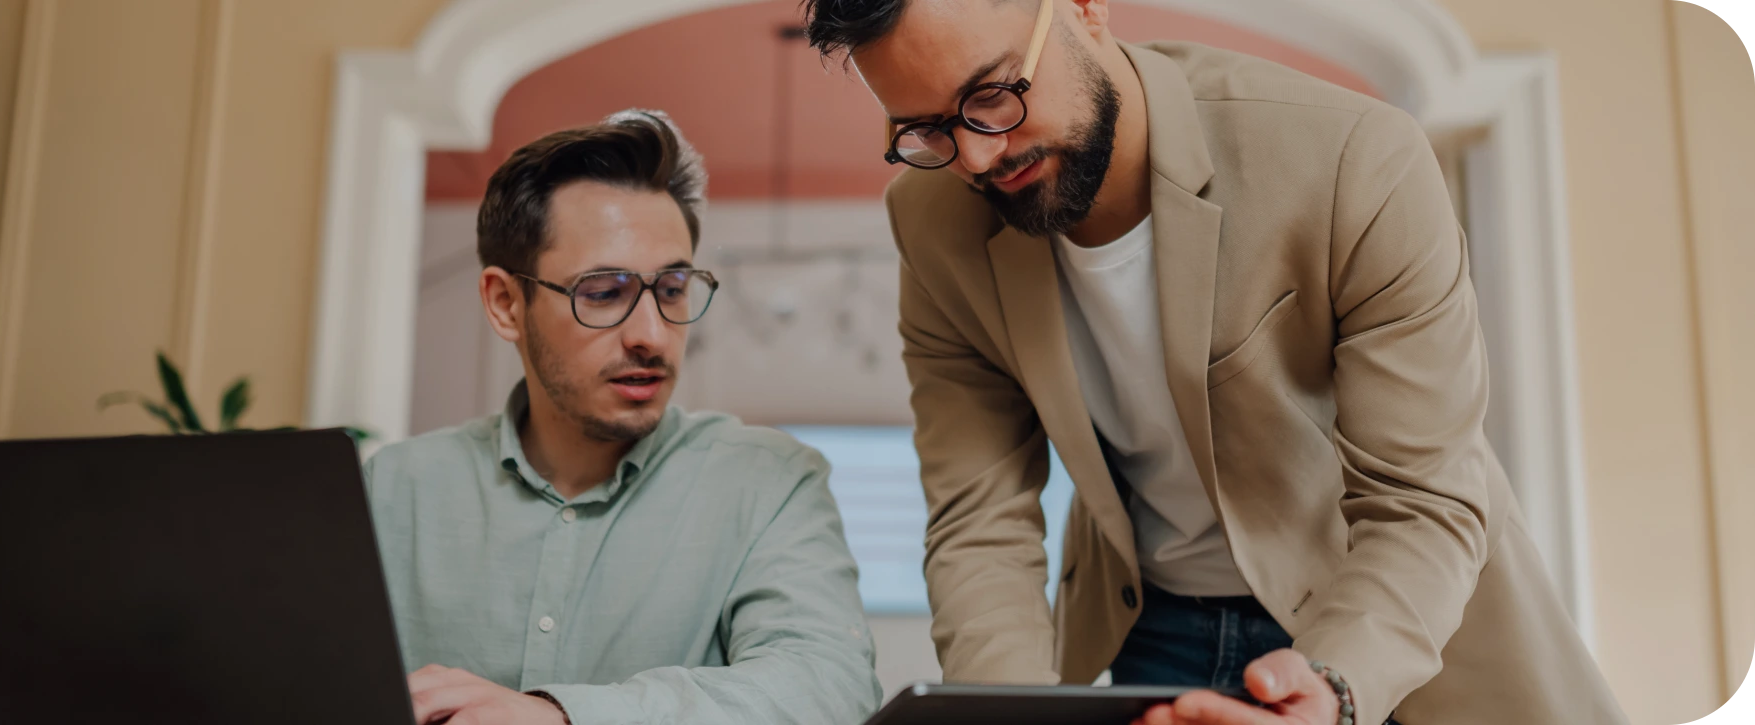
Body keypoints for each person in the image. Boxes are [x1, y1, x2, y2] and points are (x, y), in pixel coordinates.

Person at [801, 1, 1626, 724]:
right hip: (1153, 630)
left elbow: (1423, 498)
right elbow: (980, 519)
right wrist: (1007, 706)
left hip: (1390, 628)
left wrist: (1335, 687)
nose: (976, 157)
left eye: (991, 96)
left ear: (1084, 6)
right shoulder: (933, 221)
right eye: (928, 129)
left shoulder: (1352, 160)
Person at [362, 109, 883, 725]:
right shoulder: (389, 491)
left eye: (671, 289)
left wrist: (562, 717)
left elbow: (827, 690)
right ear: (506, 304)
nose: (653, 336)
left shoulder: (770, 482)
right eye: (603, 293)